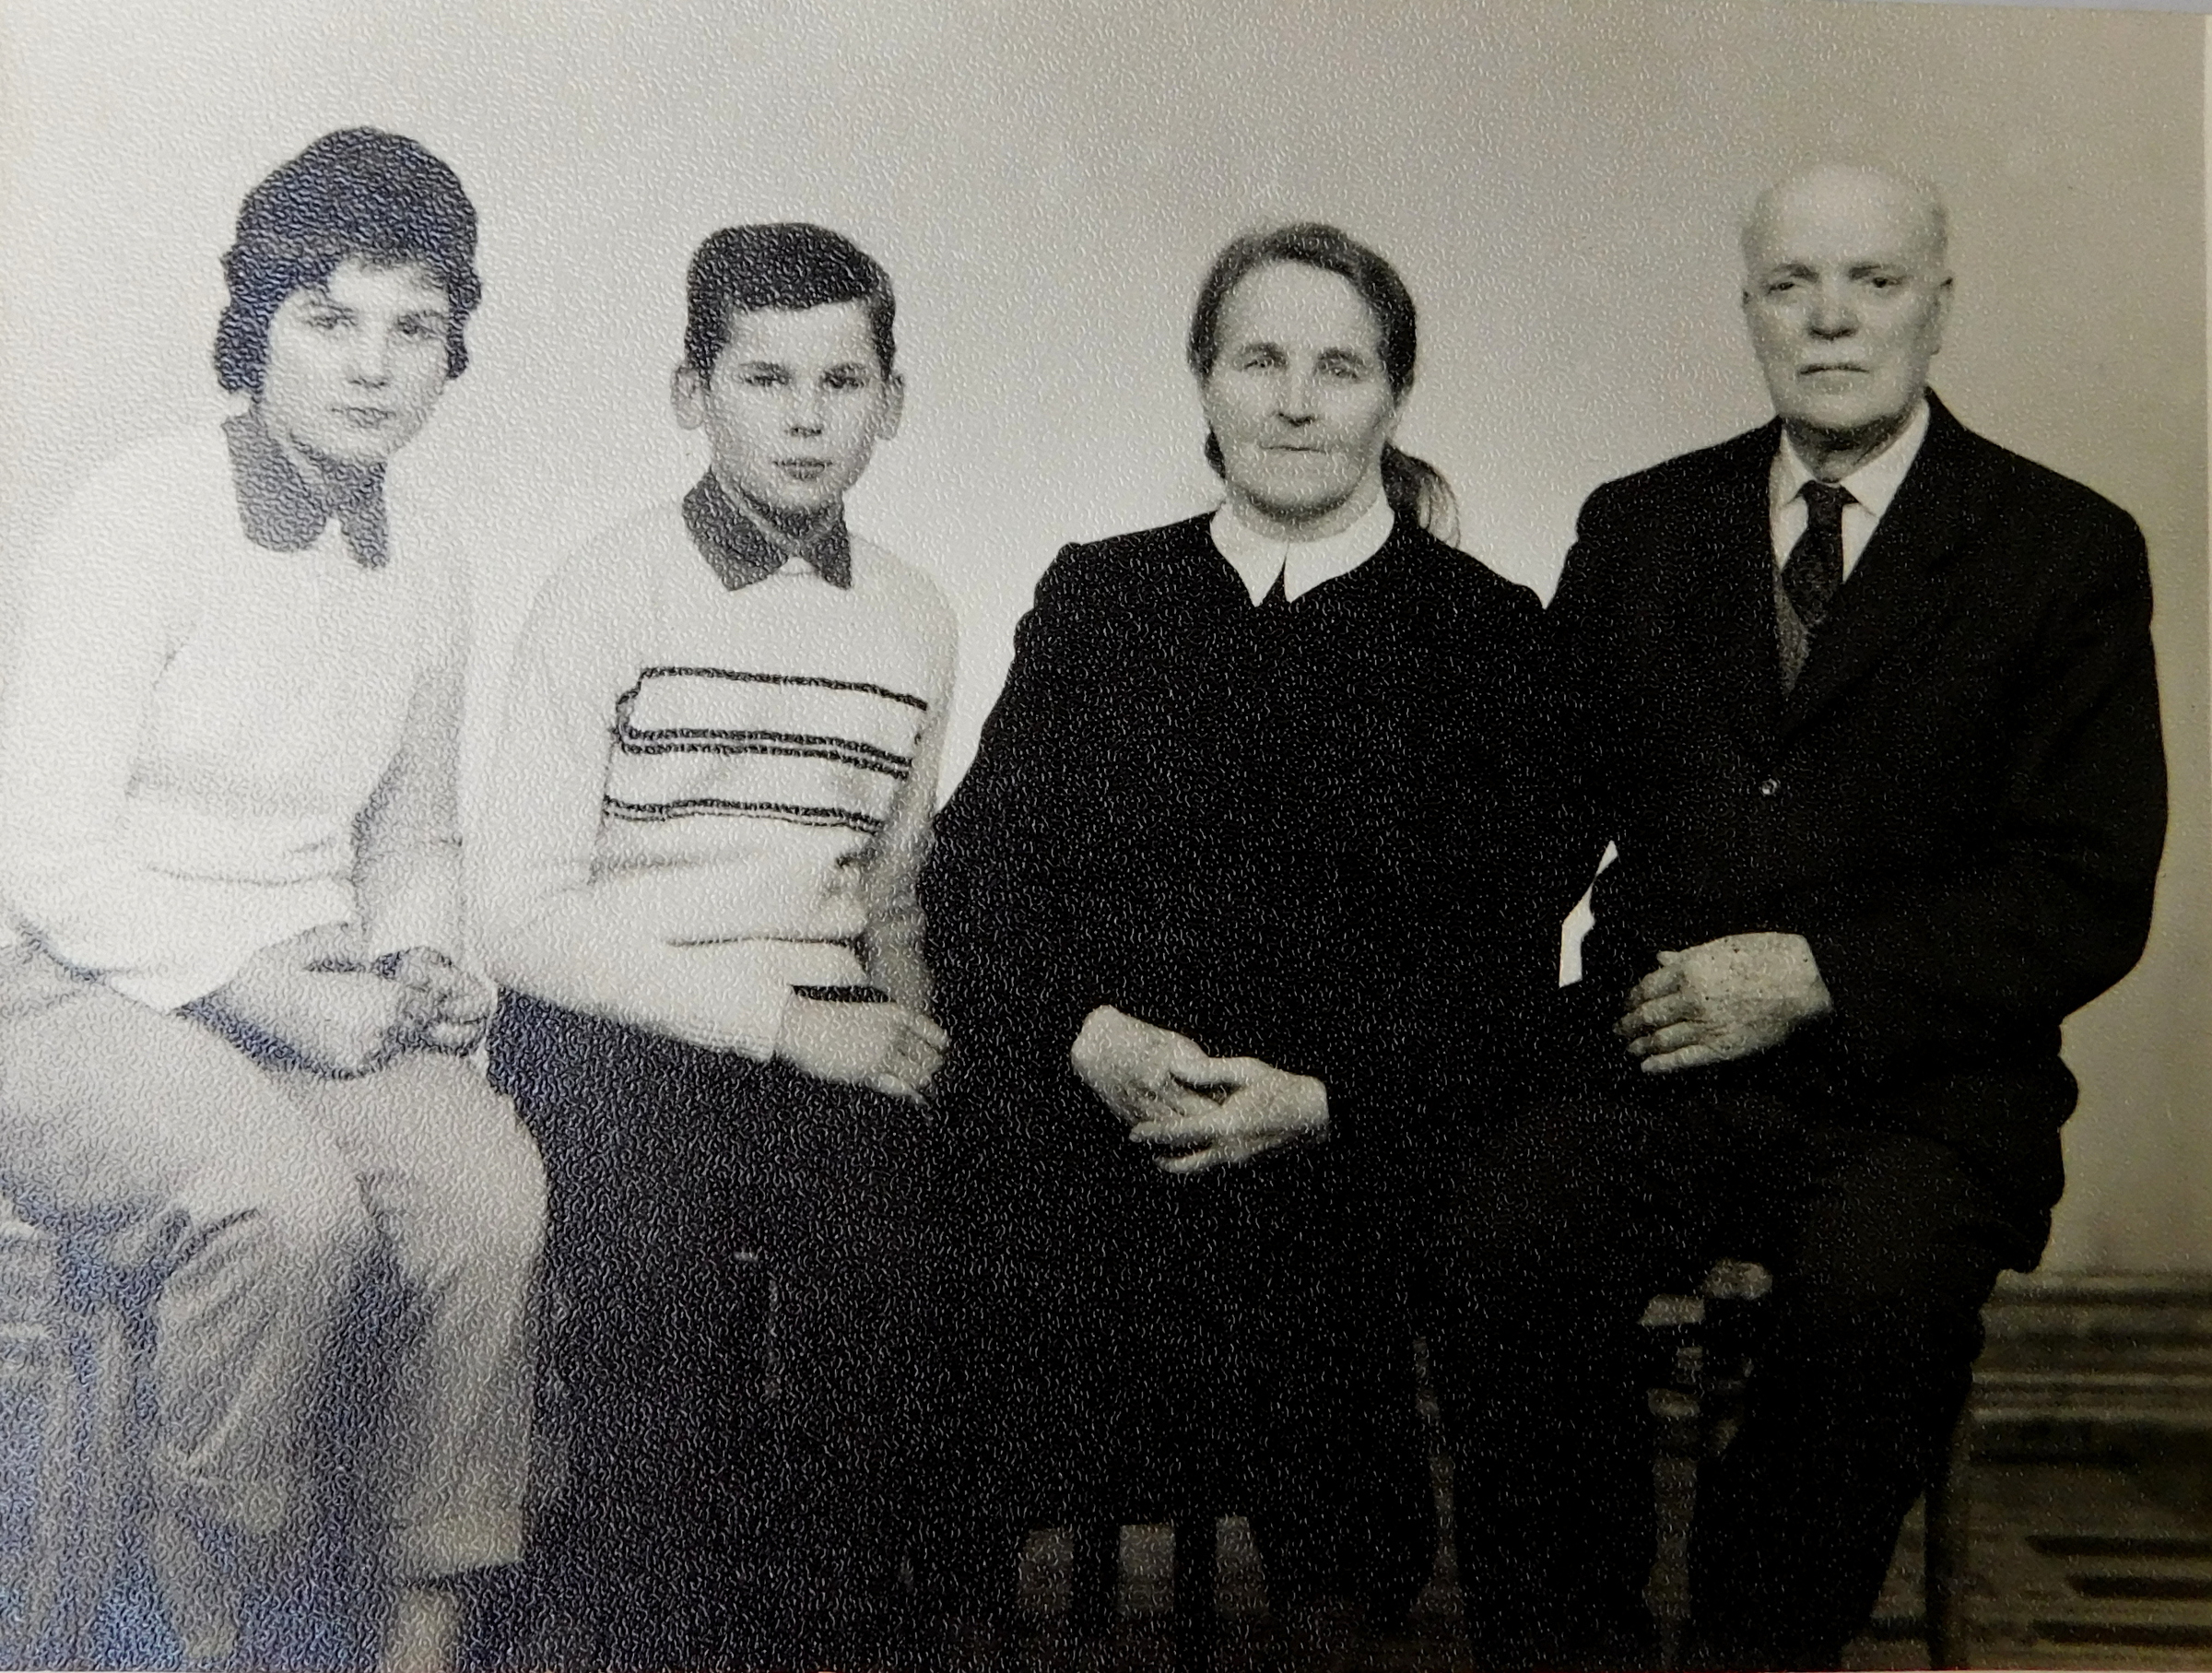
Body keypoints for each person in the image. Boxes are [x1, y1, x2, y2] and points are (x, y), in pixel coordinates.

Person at [1429, 163, 2168, 1669]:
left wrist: (1821, 974)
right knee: (1495, 1236)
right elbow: (1530, 828)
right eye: (1792, 285)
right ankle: (1570, 1649)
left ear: (1938, 307)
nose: (1831, 319)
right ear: (1751, 309)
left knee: (1872, 1303)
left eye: (1873, 282)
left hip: (1920, 1096)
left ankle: (1758, 1650)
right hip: (1655, 1063)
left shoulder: (2061, 548)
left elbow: (2085, 888)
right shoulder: (1641, 526)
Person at [921, 222, 1581, 1665]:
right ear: (1204, 383)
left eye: (1339, 368)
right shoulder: (1103, 598)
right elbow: (979, 873)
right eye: (1259, 360)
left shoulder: (1487, 636)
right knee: (951, 1237)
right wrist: (1089, 1035)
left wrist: (1323, 1097)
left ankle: (1331, 1600)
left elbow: (1496, 953)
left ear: (1395, 396)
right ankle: (969, 1610)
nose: (1293, 401)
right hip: (1103, 1103)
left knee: (1315, 1259)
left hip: (1344, 1130)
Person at [0, 128, 545, 1670]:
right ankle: (203, 1629)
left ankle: (423, 1622)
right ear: (257, 324)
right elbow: (47, 850)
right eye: (329, 318)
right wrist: (255, 988)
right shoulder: (137, 513)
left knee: (489, 1202)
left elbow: (413, 831)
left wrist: (420, 956)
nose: (373, 367)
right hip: (70, 984)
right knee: (281, 1210)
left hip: (307, 981)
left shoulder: (429, 559)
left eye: (415, 327)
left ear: (452, 346)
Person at [474, 222, 957, 1671]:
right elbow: (522, 914)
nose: (808, 419)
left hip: (825, 1020)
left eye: (842, 381)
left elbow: (889, 894)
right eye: (764, 379)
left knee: (904, 1274)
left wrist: (922, 1054)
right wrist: (791, 1027)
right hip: (618, 1018)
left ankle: (827, 1629)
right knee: (661, 1296)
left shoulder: (917, 616)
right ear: (692, 394)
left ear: (892, 401)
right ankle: (645, 1627)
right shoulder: (605, 588)